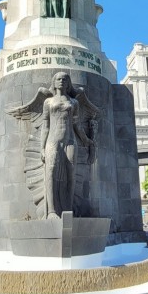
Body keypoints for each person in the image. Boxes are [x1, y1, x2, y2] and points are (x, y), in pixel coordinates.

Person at [40, 71, 93, 217]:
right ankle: (51, 211)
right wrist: (42, 148)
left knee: (71, 173)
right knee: (50, 172)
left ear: (68, 83)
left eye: (64, 79)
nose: (61, 81)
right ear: (54, 82)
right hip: (52, 141)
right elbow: (46, 126)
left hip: (70, 141)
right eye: (58, 79)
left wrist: (85, 140)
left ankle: (68, 210)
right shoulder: (48, 102)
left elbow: (77, 125)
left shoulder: (74, 102)